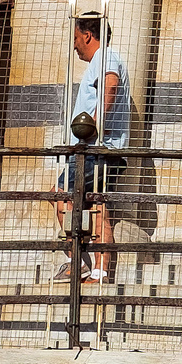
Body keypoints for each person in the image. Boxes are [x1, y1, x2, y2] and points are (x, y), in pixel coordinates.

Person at [57, 16, 131, 281]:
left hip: (95, 149)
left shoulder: (105, 56)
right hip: (105, 149)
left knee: (61, 195)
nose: (75, 45)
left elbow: (110, 84)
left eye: (77, 38)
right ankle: (100, 271)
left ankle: (75, 262)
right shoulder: (106, 58)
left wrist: (94, 126)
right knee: (97, 205)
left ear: (87, 35)